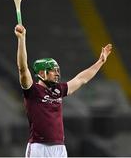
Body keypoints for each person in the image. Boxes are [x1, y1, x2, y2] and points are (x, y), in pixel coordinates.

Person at [14, 24, 112, 157]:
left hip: (59, 147)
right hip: (38, 147)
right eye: (53, 71)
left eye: (57, 71)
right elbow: (22, 68)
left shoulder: (58, 90)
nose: (56, 74)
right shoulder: (32, 91)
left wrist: (100, 62)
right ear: (42, 73)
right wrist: (21, 39)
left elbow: (81, 79)